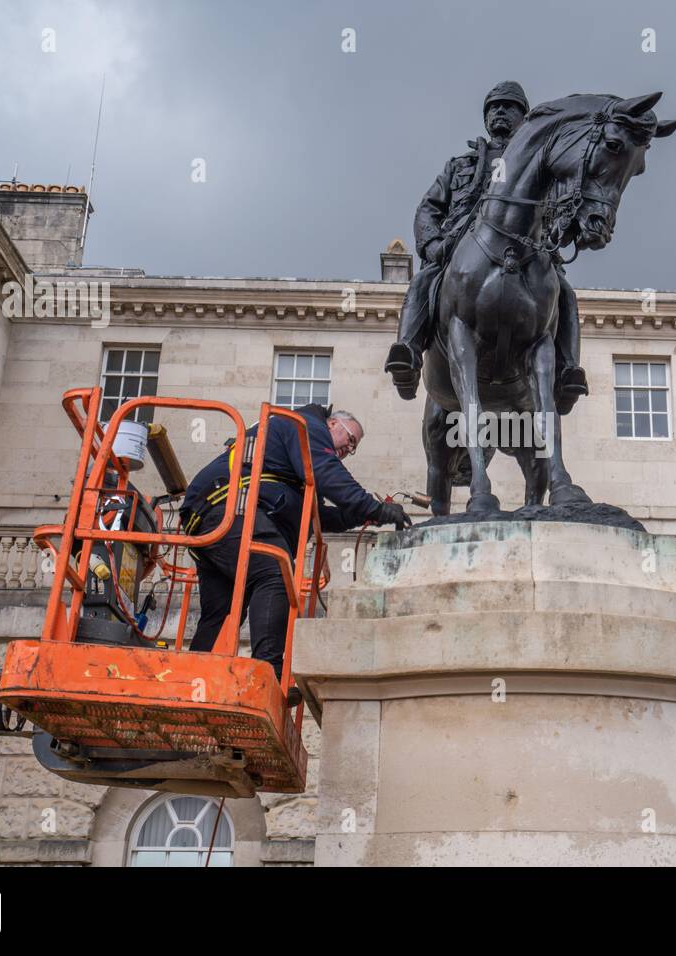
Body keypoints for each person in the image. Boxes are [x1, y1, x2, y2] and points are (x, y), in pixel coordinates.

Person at [384, 80, 588, 413]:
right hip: (460, 243)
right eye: (494, 107)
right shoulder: (460, 164)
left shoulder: (542, 171)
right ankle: (407, 350)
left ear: (523, 117)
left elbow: (561, 207)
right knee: (425, 279)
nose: (500, 112)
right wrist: (433, 243)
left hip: (526, 251)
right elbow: (429, 207)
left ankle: (567, 369)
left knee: (564, 291)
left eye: (508, 106)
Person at [179, 404, 409, 685]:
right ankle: (268, 678)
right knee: (275, 572)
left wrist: (363, 514)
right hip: (230, 509)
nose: (348, 450)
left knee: (224, 610)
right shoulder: (304, 426)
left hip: (214, 517)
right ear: (333, 423)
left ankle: (191, 681)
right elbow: (327, 473)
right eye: (350, 440)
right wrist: (374, 507)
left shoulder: (290, 470)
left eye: (354, 448)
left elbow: (316, 516)